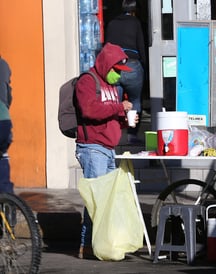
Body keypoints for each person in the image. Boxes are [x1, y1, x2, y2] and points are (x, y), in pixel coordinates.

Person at [75, 42, 139, 259]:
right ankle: (87, 245)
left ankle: (102, 243)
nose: (118, 76)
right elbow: (90, 110)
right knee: (97, 199)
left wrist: (123, 119)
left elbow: (108, 115)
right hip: (93, 148)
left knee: (105, 200)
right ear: (106, 65)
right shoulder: (87, 81)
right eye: (116, 71)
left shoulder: (111, 87)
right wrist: (119, 108)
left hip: (108, 148)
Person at [105, 0, 147, 144]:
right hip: (132, 65)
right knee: (135, 100)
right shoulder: (135, 23)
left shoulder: (111, 23)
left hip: (115, 66)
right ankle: (132, 134)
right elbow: (141, 45)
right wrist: (144, 65)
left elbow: (107, 47)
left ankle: (113, 134)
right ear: (134, 10)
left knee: (115, 101)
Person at [0, 55, 14, 194]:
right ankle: (8, 211)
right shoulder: (4, 64)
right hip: (4, 119)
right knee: (2, 156)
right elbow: (9, 95)